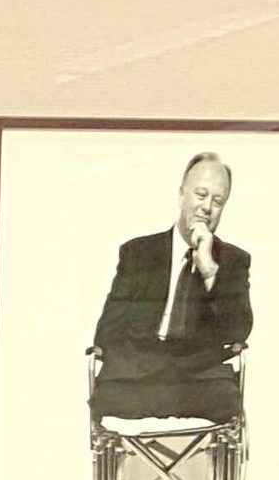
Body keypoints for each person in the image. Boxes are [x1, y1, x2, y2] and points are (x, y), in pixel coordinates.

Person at [91, 153, 254, 420]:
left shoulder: (233, 261)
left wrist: (210, 271)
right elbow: (108, 330)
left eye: (217, 201)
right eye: (200, 195)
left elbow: (238, 331)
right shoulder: (138, 254)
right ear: (181, 195)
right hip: (140, 375)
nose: (207, 208)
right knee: (110, 398)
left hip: (198, 377)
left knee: (227, 403)